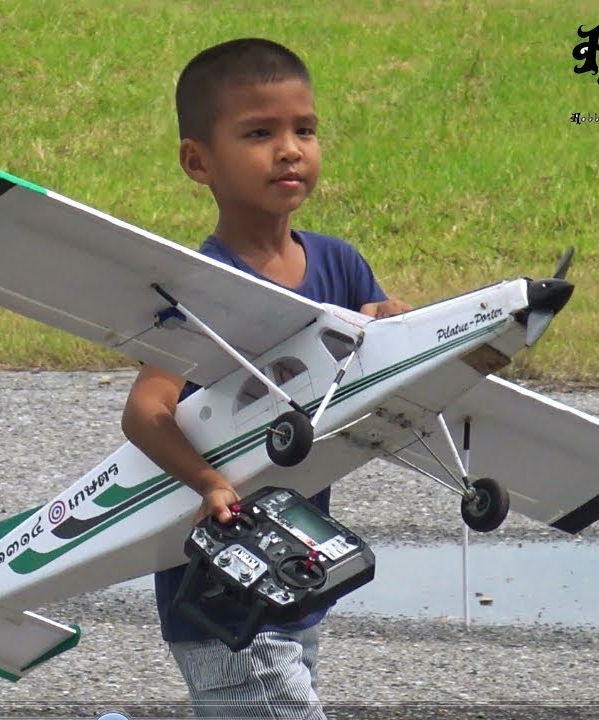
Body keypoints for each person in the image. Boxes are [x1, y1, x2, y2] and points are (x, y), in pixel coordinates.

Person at [120, 39, 410, 719]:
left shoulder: (339, 264)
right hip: (223, 575)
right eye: (259, 133)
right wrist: (211, 483)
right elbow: (145, 410)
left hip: (296, 566)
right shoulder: (201, 287)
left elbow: (377, 379)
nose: (289, 149)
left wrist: (390, 327)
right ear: (198, 161)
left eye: (304, 130)